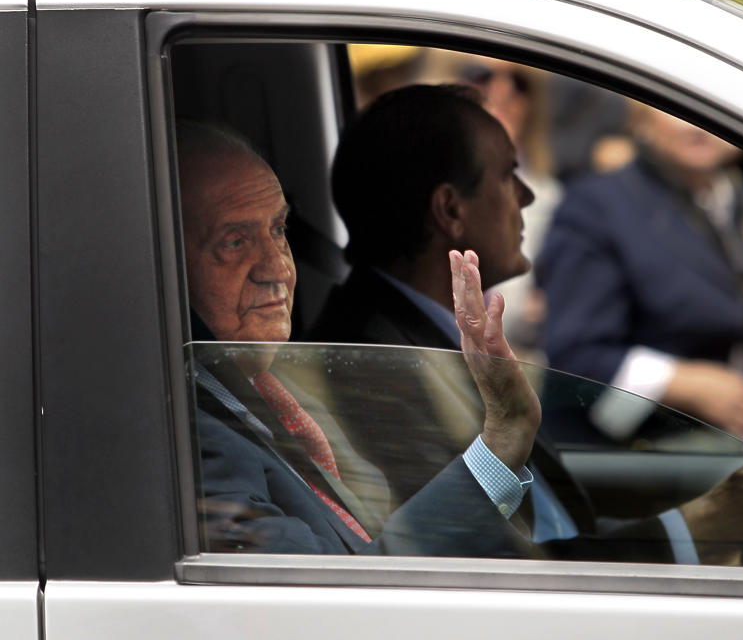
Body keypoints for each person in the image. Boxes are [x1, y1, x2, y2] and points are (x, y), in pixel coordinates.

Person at [309, 84, 743, 566]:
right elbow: (480, 569)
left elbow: (547, 524)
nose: (528, 196)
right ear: (450, 209)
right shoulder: (377, 363)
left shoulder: (422, 336)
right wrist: (697, 530)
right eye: (507, 174)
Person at [178, 120, 539, 557]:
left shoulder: (275, 396)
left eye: (278, 231)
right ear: (169, 265)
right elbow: (334, 604)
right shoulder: (186, 437)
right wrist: (503, 440)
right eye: (234, 242)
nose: (278, 268)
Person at [538, 106, 743, 451]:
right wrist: (681, 384)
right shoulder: (595, 205)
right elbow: (574, 355)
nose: (698, 125)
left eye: (717, 104)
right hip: (636, 464)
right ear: (642, 116)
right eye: (678, 108)